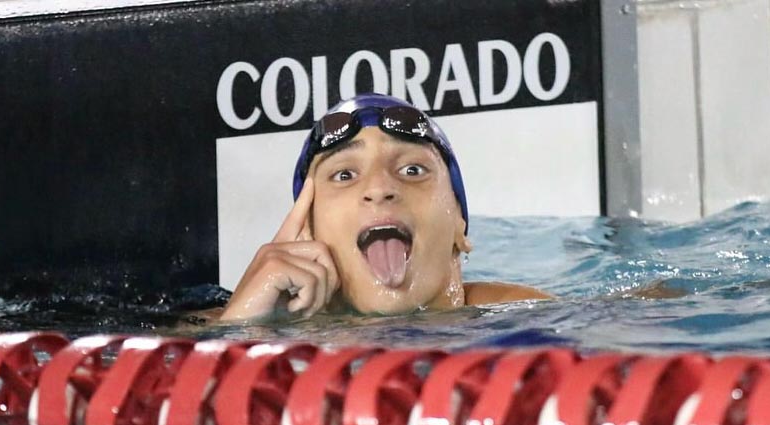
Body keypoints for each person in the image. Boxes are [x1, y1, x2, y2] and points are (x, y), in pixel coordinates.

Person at [218, 93, 549, 322]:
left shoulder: (523, 314)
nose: (379, 189)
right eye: (344, 174)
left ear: (460, 224)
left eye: (412, 170)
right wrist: (243, 329)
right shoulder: (219, 329)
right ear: (307, 231)